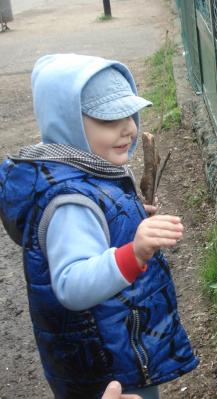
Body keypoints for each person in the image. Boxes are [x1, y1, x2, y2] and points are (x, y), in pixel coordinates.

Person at [0, 54, 198, 398]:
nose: (129, 129)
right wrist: (133, 252)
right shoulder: (69, 202)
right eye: (109, 120)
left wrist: (130, 220)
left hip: (118, 346)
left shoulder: (87, 170)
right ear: (69, 124)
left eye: (129, 115)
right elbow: (71, 284)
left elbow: (99, 233)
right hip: (107, 372)